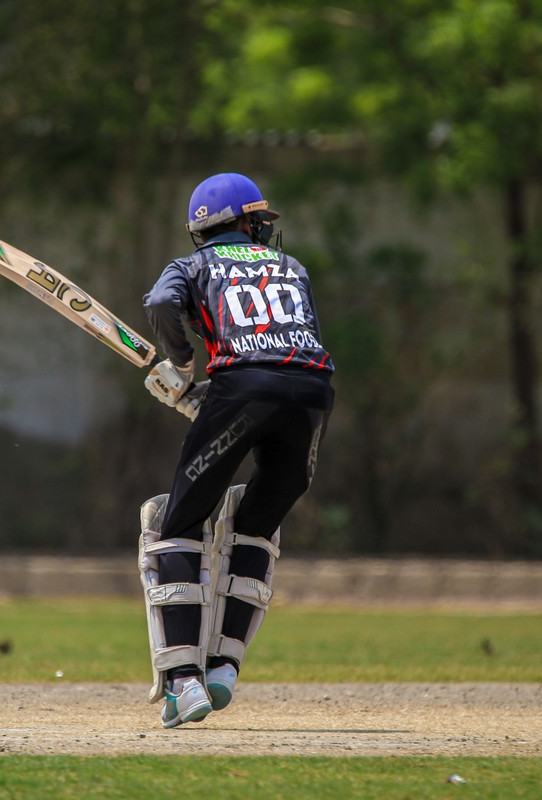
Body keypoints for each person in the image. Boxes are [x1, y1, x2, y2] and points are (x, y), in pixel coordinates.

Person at [137, 172, 335, 728]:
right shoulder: (292, 267)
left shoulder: (191, 266)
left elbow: (161, 302)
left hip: (242, 390)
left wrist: (182, 369)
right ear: (246, 223)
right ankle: (224, 667)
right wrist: (212, 396)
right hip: (314, 394)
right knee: (255, 526)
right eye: (258, 221)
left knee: (176, 524)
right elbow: (281, 352)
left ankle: (184, 681)